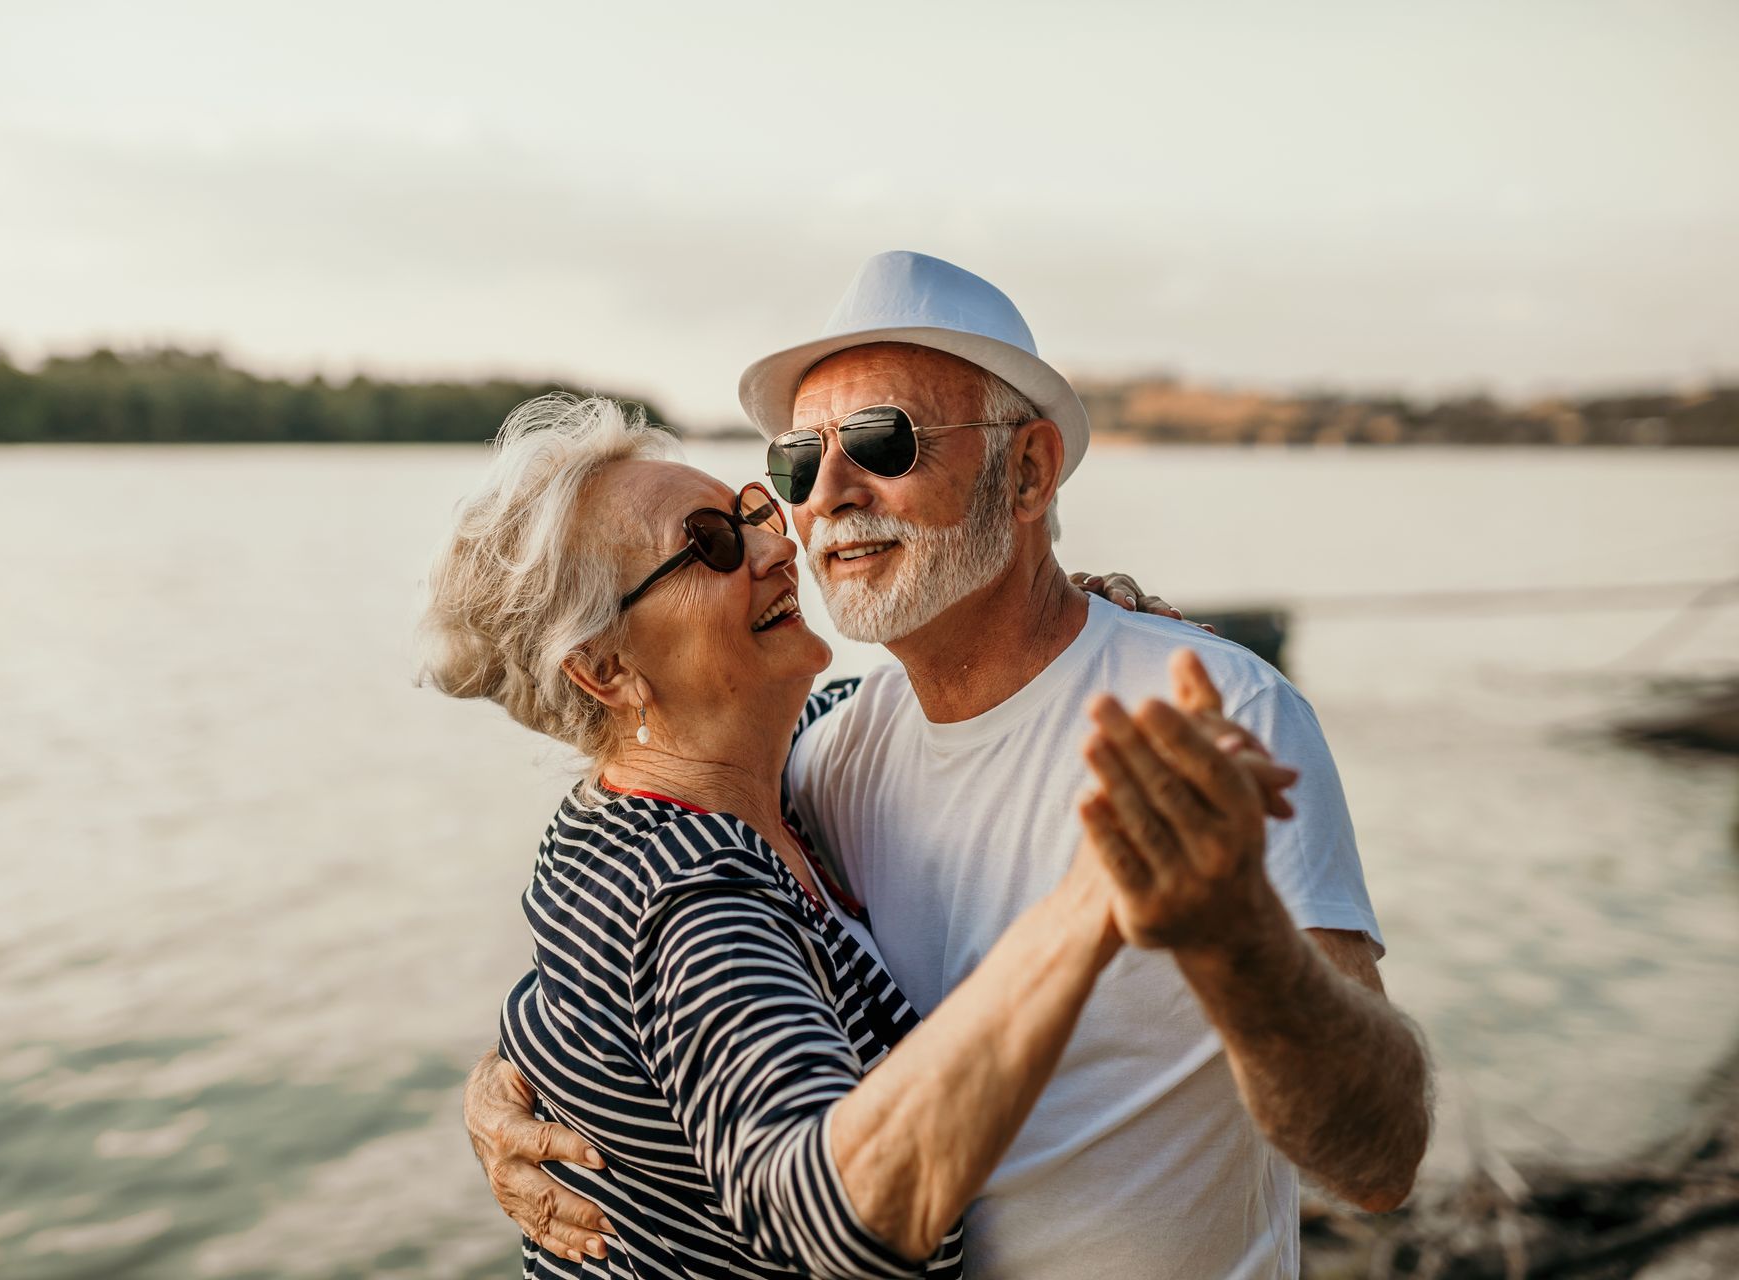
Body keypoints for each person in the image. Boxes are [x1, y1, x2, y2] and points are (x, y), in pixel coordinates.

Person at [466, 251, 1432, 1279]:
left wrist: (1241, 943)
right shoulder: (824, 759)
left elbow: (1380, 1159)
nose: (823, 499)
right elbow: (644, 931)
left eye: (883, 442)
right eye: (796, 462)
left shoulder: (1214, 720)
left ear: (1027, 472)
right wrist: (513, 1083)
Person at [418, 394, 1276, 1276]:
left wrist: (1068, 621)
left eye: (753, 509)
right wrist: (1089, 903)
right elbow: (834, 1220)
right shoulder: (692, 896)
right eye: (711, 543)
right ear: (604, 670)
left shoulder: (745, 780)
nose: (779, 544)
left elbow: (946, 709)